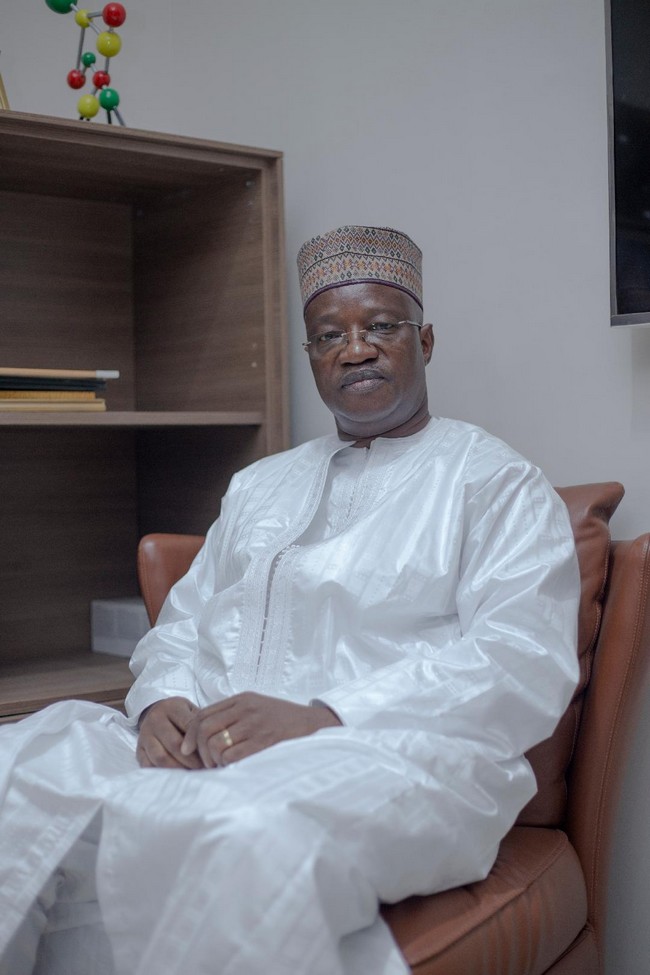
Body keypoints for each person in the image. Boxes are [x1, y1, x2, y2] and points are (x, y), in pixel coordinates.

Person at [0, 225, 580, 975]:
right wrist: (161, 702)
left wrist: (325, 716)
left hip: (396, 757)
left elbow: (521, 661)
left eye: (381, 326)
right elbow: (183, 623)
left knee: (241, 829)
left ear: (426, 340)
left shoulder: (494, 481)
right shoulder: (260, 485)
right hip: (210, 744)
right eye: (329, 335)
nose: (355, 349)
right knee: (22, 764)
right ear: (311, 357)